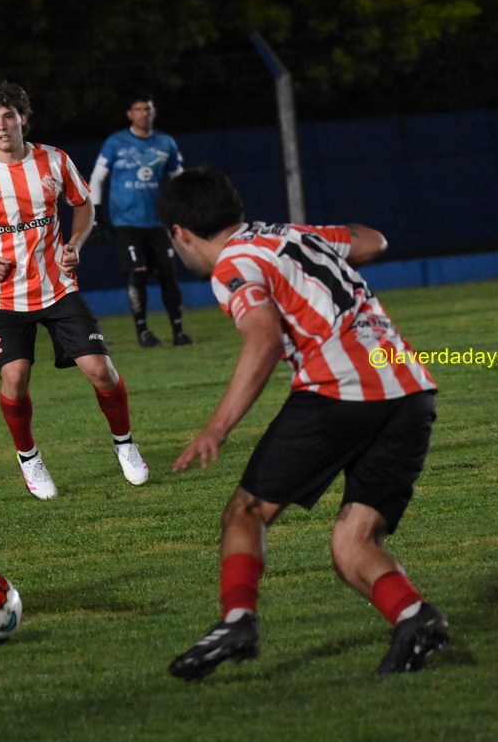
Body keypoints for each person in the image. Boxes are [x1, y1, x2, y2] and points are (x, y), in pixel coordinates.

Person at [157, 166, 447, 681]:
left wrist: (217, 427)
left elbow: (264, 338)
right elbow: (372, 240)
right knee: (353, 544)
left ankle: (237, 621)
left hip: (341, 388)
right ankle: (415, 618)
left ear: (180, 233)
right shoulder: (292, 236)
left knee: (246, 511)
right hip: (410, 391)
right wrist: (310, 249)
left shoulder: (233, 264)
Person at [0, 81, 149, 500]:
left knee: (101, 370)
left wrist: (76, 244)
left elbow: (83, 204)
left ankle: (125, 444)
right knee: (15, 378)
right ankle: (29, 457)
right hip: (7, 299)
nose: (2, 125)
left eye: (8, 116)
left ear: (23, 119)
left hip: (59, 289)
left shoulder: (55, 160)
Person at [88, 92, 190, 348]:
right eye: (139, 109)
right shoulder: (116, 143)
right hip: (126, 223)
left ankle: (179, 332)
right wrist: (96, 214)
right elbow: (97, 178)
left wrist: (183, 208)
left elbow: (178, 178)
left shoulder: (165, 143)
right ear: (129, 114)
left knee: (169, 275)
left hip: (157, 221)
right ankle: (143, 332)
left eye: (148, 109)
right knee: (136, 275)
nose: (144, 113)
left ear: (154, 112)